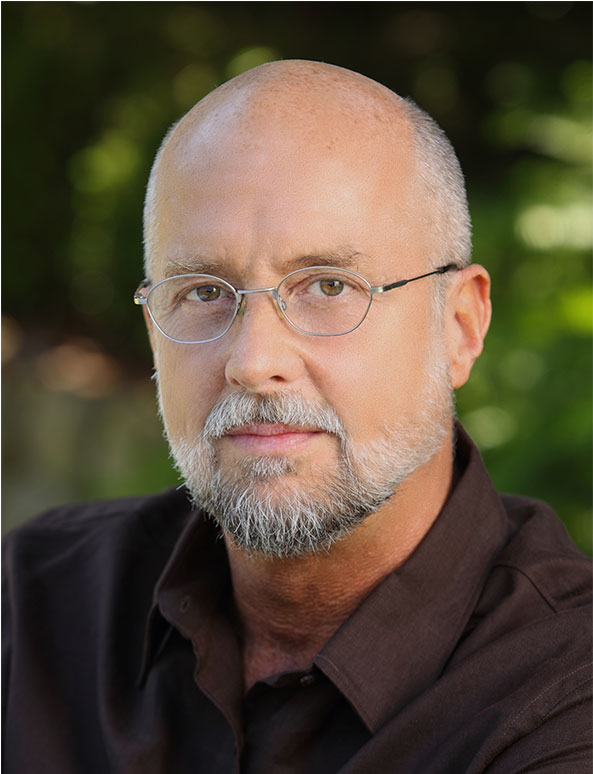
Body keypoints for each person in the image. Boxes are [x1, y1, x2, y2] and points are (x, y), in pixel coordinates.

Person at [3, 60, 591, 773]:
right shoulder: (35, 606)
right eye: (202, 291)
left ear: (459, 326)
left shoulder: (563, 700)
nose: (252, 360)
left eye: (327, 286)